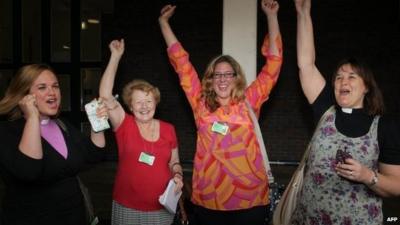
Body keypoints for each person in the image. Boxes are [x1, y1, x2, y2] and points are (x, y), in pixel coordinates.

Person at [159, 0, 282, 224]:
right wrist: (163, 23)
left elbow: (273, 65)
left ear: (236, 78)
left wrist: (272, 17)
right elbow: (181, 63)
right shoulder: (200, 103)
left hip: (250, 201)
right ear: (210, 79)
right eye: (217, 75)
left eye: (228, 74)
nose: (222, 79)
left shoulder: (249, 101)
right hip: (208, 201)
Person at [291, 0, 400, 224]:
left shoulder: (385, 127)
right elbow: (306, 64)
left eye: (351, 76)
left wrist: (367, 176)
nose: (343, 81)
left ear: (366, 86)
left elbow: (396, 186)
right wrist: (303, 12)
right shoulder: (325, 110)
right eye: (339, 76)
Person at [0, 64, 107, 225]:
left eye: (55, 86)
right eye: (42, 87)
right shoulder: (7, 131)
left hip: (75, 216)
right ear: (24, 95)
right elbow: (29, 170)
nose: (52, 92)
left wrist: (97, 124)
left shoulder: (61, 125)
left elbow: (93, 155)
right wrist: (32, 118)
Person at [98, 39, 183, 225]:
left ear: (156, 103)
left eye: (149, 101)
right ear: (130, 105)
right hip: (127, 206)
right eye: (138, 102)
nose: (144, 106)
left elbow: (174, 161)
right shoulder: (124, 124)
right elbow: (105, 95)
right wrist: (115, 56)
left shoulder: (169, 129)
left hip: (162, 206)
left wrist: (178, 175)